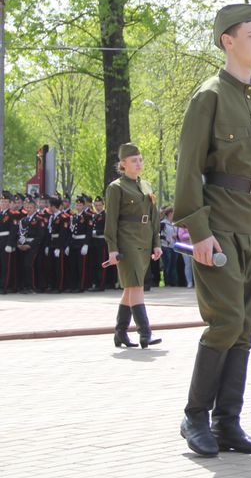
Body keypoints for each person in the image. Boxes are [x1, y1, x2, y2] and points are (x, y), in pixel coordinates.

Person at [175, 4, 251, 457]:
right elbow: (188, 170)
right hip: (220, 225)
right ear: (227, 40)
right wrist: (198, 231)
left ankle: (228, 421)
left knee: (244, 327)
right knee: (224, 322)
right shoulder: (210, 96)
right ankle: (194, 416)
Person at [104, 143, 163, 349]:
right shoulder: (116, 188)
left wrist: (156, 243)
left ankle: (120, 332)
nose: (138, 163)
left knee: (130, 288)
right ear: (123, 164)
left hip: (145, 239)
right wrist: (112, 248)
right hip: (126, 240)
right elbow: (110, 221)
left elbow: (155, 217)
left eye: (140, 159)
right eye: (133, 160)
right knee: (137, 285)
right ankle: (145, 332)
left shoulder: (146, 185)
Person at [15, 197, 45, 294]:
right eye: (27, 207)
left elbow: (40, 236)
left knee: (29, 265)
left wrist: (30, 245)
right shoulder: (23, 220)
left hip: (33, 246)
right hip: (23, 245)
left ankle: (32, 286)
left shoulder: (39, 219)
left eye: (31, 207)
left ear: (35, 208)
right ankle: (25, 286)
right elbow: (19, 233)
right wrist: (19, 244)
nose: (28, 209)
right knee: (23, 266)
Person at [67, 195, 93, 292]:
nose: (78, 206)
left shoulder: (87, 216)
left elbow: (89, 231)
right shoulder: (73, 216)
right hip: (74, 242)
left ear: (83, 206)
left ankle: (81, 286)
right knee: (72, 265)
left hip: (82, 242)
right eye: (77, 204)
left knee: (81, 265)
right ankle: (73, 285)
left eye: (80, 205)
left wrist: (86, 244)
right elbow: (70, 231)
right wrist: (68, 245)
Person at [160, 207, 179, 287]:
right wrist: (166, 238)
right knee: (167, 264)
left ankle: (173, 282)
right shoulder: (163, 223)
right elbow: (159, 235)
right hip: (165, 246)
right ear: (170, 214)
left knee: (173, 265)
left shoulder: (175, 224)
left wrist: (176, 236)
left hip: (174, 246)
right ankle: (167, 282)